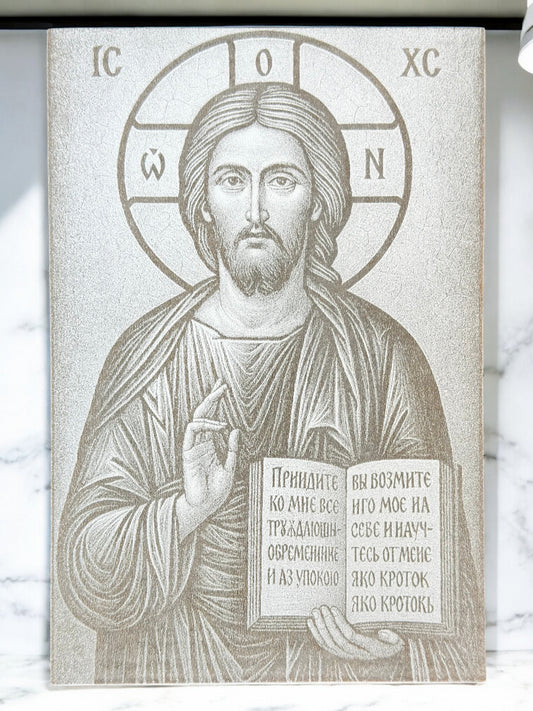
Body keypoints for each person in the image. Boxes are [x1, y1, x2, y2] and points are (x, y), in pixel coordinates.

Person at [57, 83, 484, 683]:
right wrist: (187, 510)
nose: (255, 210)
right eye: (232, 180)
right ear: (204, 202)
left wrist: (391, 640)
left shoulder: (382, 357)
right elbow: (85, 564)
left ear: (319, 200)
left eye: (281, 181)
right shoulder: (148, 358)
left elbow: (442, 579)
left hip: (332, 684)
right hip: (178, 673)